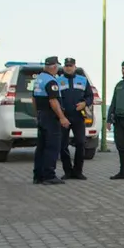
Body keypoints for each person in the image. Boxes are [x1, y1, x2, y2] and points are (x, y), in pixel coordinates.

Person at [32, 56, 70, 186]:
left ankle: (38, 175)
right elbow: (53, 101)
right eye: (57, 67)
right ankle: (49, 175)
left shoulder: (38, 79)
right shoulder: (51, 82)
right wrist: (62, 117)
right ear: (54, 67)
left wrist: (37, 113)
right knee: (52, 146)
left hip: (41, 115)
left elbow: (34, 99)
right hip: (50, 117)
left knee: (41, 146)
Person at [56, 58, 91, 180]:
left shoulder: (83, 80)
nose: (68, 68)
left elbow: (90, 96)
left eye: (70, 66)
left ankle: (78, 171)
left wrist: (84, 103)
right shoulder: (58, 81)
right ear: (64, 67)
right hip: (64, 117)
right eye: (66, 66)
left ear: (75, 67)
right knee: (63, 145)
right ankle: (68, 171)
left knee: (81, 143)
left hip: (78, 117)